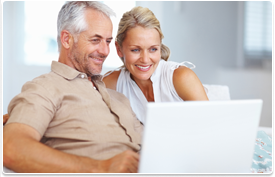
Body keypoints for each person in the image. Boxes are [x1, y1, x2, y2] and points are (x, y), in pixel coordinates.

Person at [3, 1, 143, 173]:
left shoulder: (118, 97)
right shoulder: (45, 88)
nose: (105, 51)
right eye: (95, 40)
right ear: (67, 39)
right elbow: (11, 148)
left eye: (107, 41)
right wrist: (100, 167)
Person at [102, 6, 209, 123]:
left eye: (153, 49)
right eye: (135, 50)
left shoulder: (181, 77)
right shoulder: (111, 83)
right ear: (119, 49)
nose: (145, 59)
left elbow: (211, 124)